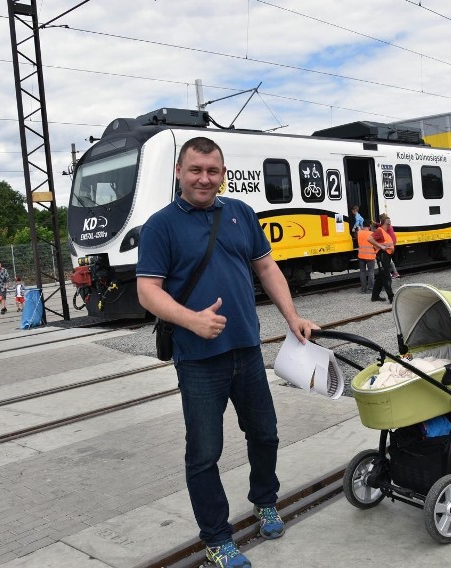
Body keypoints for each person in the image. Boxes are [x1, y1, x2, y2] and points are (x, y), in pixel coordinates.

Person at [136, 137, 317, 568]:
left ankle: (265, 501)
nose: (204, 178)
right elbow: (147, 290)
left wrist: (292, 316)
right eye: (195, 170)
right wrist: (190, 320)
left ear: (223, 173)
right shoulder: (160, 226)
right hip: (199, 361)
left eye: (212, 171)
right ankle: (217, 538)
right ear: (179, 171)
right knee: (204, 454)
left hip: (247, 352)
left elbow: (267, 267)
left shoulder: (240, 214)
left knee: (266, 434)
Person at [368, 214, 395, 303]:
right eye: (389, 223)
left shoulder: (384, 231)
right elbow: (370, 239)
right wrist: (381, 246)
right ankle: (391, 297)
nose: (390, 225)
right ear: (385, 223)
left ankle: (375, 296)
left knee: (381, 276)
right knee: (386, 276)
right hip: (383, 255)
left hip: (386, 255)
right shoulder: (380, 231)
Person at [356, 219, 376, 294]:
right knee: (371, 272)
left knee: (362, 272)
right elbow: (375, 245)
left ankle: (363, 289)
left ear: (363, 225)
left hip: (361, 255)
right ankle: (370, 289)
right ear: (369, 226)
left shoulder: (359, 233)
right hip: (370, 256)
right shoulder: (372, 234)